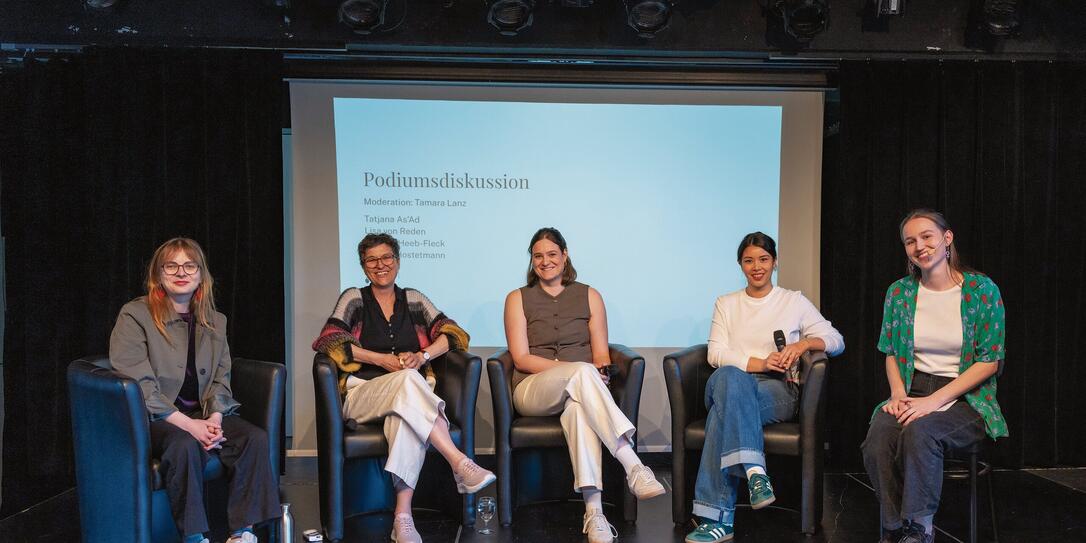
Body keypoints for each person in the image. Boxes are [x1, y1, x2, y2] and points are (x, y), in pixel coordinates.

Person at [312, 232, 495, 543]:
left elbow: (453, 334)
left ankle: (402, 517)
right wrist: (381, 360)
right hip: (363, 394)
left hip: (406, 399)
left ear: (397, 262)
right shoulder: (354, 298)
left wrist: (422, 355)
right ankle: (458, 461)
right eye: (372, 260)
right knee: (412, 379)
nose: (380, 265)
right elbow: (330, 340)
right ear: (363, 265)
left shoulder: (413, 299)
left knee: (406, 415)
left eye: (387, 258)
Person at [109, 238, 280, 543]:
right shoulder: (135, 315)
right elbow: (140, 386)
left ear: (201, 275)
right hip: (154, 419)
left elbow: (221, 376)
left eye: (190, 265)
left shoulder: (215, 320)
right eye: (171, 265)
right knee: (185, 445)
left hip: (201, 413)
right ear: (158, 273)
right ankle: (194, 537)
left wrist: (214, 418)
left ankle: (243, 533)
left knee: (254, 438)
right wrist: (190, 425)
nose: (181, 272)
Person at [502, 227, 666, 543]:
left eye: (552, 254)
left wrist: (599, 372)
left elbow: (601, 354)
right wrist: (580, 370)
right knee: (581, 374)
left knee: (579, 411)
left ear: (565, 256)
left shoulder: (589, 295)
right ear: (532, 261)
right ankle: (633, 464)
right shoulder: (517, 298)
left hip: (580, 388)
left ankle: (594, 513)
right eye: (538, 256)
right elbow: (521, 358)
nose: (545, 261)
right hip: (533, 389)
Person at [685, 232, 845, 543]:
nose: (756, 267)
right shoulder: (727, 303)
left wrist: (802, 345)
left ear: (774, 262)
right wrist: (762, 362)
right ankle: (756, 472)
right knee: (732, 378)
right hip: (729, 381)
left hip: (776, 392)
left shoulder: (793, 300)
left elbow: (836, 340)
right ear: (740, 265)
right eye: (749, 261)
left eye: (763, 259)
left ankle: (718, 519)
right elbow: (715, 353)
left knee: (723, 414)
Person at [862, 210, 1006, 543]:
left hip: (967, 397)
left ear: (946, 238)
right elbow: (892, 352)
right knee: (878, 438)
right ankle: (893, 527)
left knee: (920, 432)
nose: (920, 246)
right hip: (912, 389)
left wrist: (933, 402)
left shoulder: (981, 290)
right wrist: (898, 393)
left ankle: (919, 528)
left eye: (927, 236)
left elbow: (989, 362)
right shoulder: (899, 293)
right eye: (910, 241)